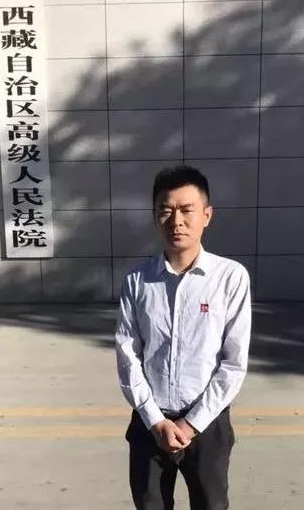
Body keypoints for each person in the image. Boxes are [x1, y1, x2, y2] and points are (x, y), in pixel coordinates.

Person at [115, 166, 252, 510]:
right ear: (155, 216)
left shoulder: (230, 278)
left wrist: (191, 424)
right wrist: (155, 420)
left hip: (207, 423)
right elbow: (128, 355)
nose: (176, 221)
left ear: (207, 215)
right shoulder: (137, 280)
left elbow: (233, 364)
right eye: (166, 210)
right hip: (150, 422)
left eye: (187, 210)